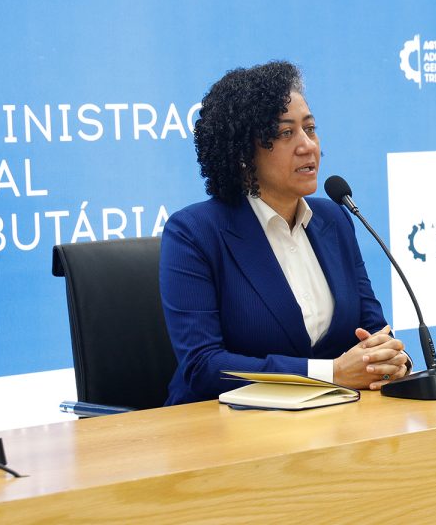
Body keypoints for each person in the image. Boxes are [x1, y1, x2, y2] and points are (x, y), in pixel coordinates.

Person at [160, 61, 407, 405]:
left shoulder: (334, 219)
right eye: (285, 133)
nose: (308, 146)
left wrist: (391, 360)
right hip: (227, 424)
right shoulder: (194, 233)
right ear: (243, 153)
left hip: (337, 418)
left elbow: (374, 328)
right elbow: (203, 366)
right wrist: (331, 373)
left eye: (310, 129)